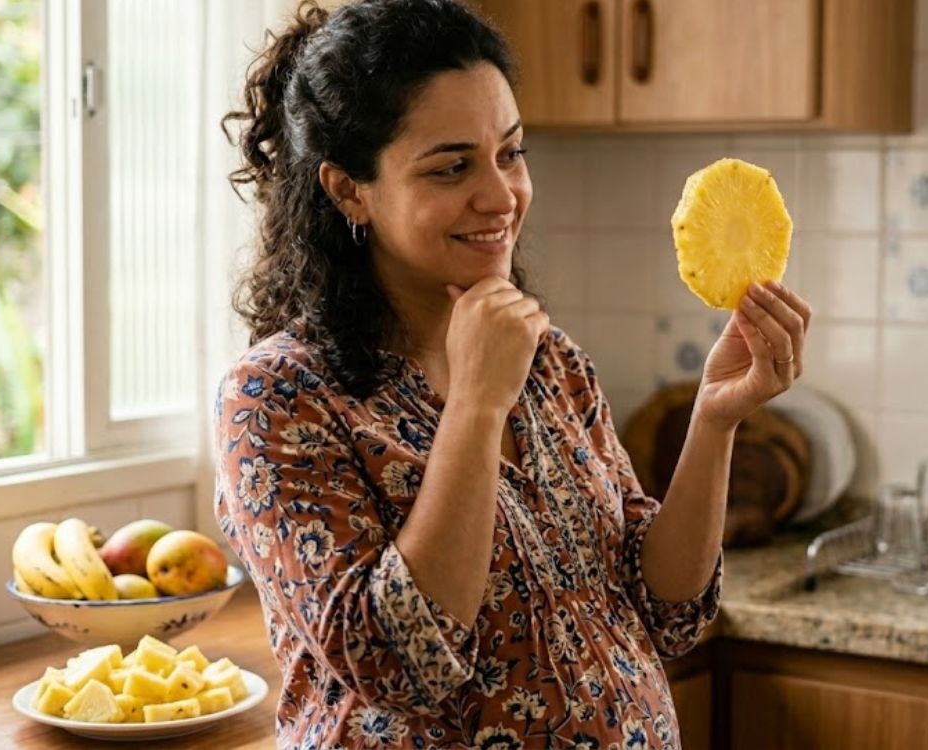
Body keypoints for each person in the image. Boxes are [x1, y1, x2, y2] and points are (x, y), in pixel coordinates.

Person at [213, 1, 811, 747]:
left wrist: (716, 418)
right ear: (349, 189)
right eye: (452, 166)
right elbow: (405, 663)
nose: (501, 196)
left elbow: (666, 611)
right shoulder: (275, 399)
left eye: (512, 153)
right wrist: (475, 403)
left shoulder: (550, 358)